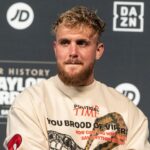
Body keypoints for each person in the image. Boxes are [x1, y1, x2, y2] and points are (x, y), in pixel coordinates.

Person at [4, 6, 150, 150]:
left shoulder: (126, 110)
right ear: (56, 49)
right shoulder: (29, 103)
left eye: (82, 43)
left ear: (98, 50)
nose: (73, 52)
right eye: (65, 43)